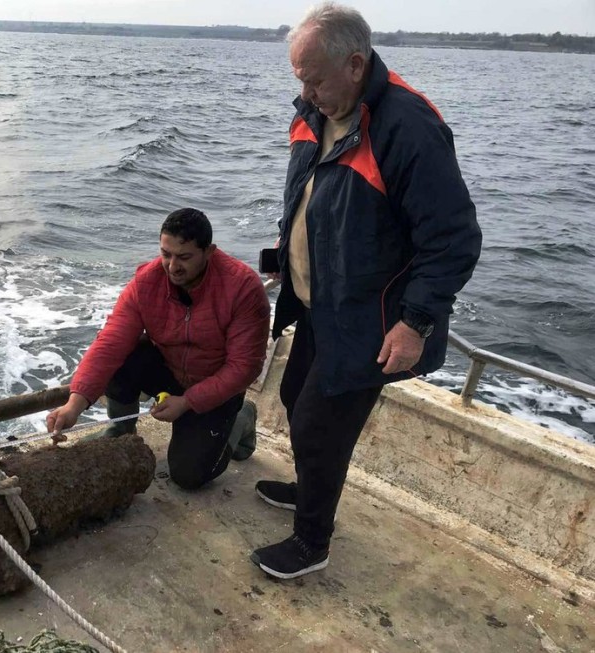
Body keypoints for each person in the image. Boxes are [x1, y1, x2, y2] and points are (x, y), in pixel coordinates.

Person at [251, 3, 482, 579]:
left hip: (369, 319)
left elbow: (453, 239)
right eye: (298, 78)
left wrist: (416, 323)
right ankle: (310, 490)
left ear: (355, 65)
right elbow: (316, 199)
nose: (305, 91)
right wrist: (288, 256)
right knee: (293, 397)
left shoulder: (408, 127)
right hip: (316, 303)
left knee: (317, 426)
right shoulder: (315, 110)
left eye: (314, 78)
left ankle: (312, 542)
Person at [46, 208, 271, 490]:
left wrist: (187, 402)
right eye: (166, 254)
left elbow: (244, 367)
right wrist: (73, 404)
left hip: (216, 386)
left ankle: (241, 418)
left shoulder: (243, 288)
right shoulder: (146, 281)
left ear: (209, 251)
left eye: (184, 257)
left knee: (189, 476)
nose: (172, 266)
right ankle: (122, 428)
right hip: (170, 370)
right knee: (122, 354)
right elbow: (110, 342)